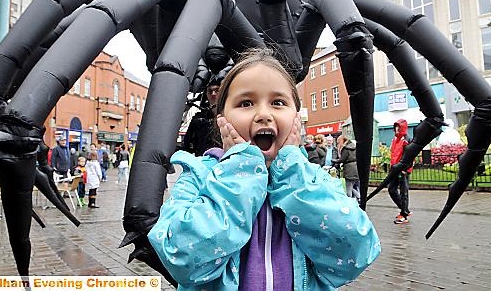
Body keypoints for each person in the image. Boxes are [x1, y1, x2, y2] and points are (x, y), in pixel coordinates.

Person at [149, 49, 380, 290]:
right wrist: (238, 172)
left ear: (296, 118)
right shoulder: (198, 176)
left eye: (278, 103)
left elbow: (355, 254)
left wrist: (293, 175)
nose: (263, 115)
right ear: (221, 119)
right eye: (245, 103)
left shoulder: (316, 179)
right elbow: (179, 259)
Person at [183, 80, 222, 156]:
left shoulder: (231, 116)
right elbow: (187, 143)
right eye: (210, 91)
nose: (213, 94)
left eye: (217, 90)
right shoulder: (199, 118)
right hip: (202, 160)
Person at [389, 119, 413, 224]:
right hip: (395, 169)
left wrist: (406, 170)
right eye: (396, 127)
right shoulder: (395, 139)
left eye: (399, 127)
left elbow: (410, 156)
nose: (397, 129)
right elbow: (394, 153)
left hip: (403, 170)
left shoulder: (407, 140)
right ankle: (405, 210)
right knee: (391, 189)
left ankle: (404, 215)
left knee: (404, 192)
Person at [335, 135, 360, 201]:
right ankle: (359, 197)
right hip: (356, 167)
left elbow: (342, 159)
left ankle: (349, 201)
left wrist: (335, 161)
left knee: (348, 187)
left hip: (349, 169)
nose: (338, 144)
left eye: (338, 142)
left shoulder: (345, 148)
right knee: (352, 185)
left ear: (342, 141)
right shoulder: (354, 147)